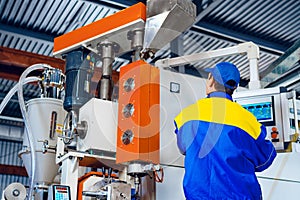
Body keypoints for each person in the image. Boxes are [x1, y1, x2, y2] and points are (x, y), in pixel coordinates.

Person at [174, 62, 276, 200]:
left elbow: (183, 148)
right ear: (234, 87)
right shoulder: (247, 120)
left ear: (211, 80)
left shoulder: (186, 115)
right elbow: (265, 160)